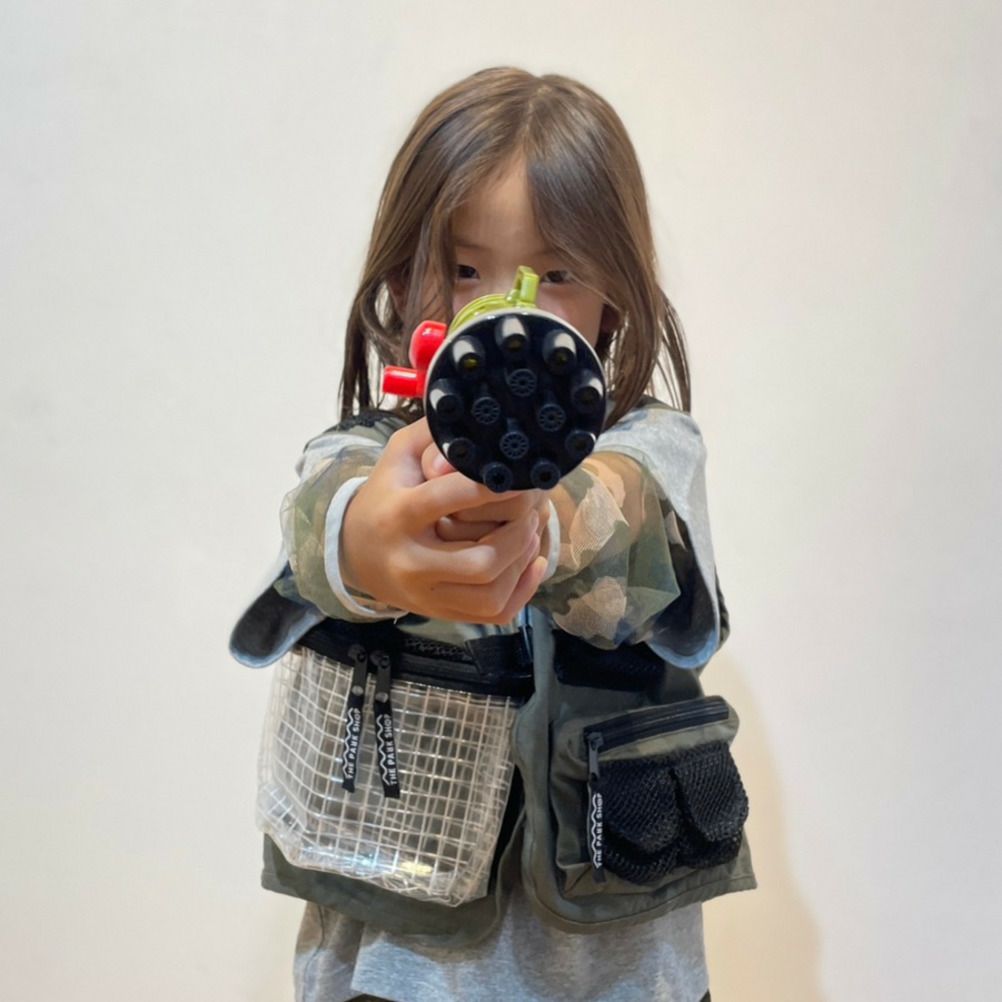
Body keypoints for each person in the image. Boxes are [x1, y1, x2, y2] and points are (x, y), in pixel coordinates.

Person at [244, 67, 734, 1002]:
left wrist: (534, 519)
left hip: (617, 974)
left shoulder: (653, 448)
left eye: (557, 274)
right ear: (401, 280)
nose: (508, 306)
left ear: (613, 296)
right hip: (398, 971)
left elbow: (618, 518)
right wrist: (373, 545)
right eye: (465, 269)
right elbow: (323, 529)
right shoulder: (359, 453)